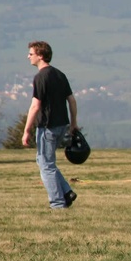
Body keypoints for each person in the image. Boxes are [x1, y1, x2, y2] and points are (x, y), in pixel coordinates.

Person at [22, 41, 79, 209]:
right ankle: (67, 192)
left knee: (46, 166)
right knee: (44, 162)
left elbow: (35, 106)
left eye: (31, 54)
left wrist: (26, 131)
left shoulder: (41, 77)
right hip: (62, 125)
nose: (28, 57)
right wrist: (73, 122)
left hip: (48, 127)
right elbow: (72, 100)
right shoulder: (59, 74)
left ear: (40, 55)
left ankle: (58, 203)